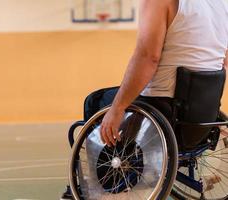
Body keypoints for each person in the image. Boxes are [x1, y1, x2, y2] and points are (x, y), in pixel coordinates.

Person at [61, 0, 228, 199]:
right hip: (201, 117)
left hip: (165, 111)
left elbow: (148, 57)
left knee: (96, 101)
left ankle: (108, 181)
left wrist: (118, 108)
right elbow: (223, 60)